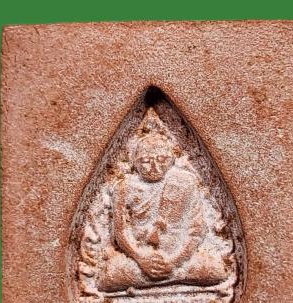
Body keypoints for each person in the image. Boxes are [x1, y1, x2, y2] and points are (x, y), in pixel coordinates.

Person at [97, 109, 229, 292]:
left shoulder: (185, 182)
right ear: (134, 161)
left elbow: (196, 230)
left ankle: (163, 277)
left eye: (161, 159)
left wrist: (174, 262)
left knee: (215, 269)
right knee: (110, 274)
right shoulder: (124, 187)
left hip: (178, 259)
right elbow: (121, 231)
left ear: (172, 159)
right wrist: (141, 258)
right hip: (139, 260)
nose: (154, 167)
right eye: (145, 161)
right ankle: (171, 279)